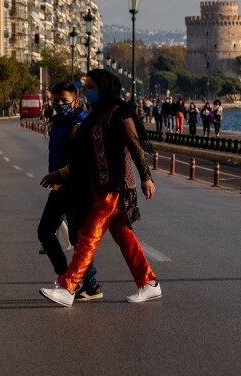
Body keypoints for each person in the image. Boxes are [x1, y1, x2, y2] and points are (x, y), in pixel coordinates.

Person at [39, 69, 160, 307]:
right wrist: (63, 174)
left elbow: (134, 145)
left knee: (87, 236)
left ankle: (68, 286)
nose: (88, 92)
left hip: (116, 185)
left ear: (104, 88)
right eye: (86, 88)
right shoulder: (95, 115)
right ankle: (148, 283)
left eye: (92, 87)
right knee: (125, 238)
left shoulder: (118, 112)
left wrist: (146, 177)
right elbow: (84, 156)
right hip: (99, 185)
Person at [37, 82, 101, 300]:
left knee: (77, 236)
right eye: (56, 100)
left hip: (75, 187)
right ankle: (72, 279)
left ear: (75, 102)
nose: (59, 104)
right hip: (59, 188)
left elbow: (85, 161)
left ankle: (79, 284)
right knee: (46, 232)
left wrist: (59, 174)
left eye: (64, 101)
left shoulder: (80, 124)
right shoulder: (58, 122)